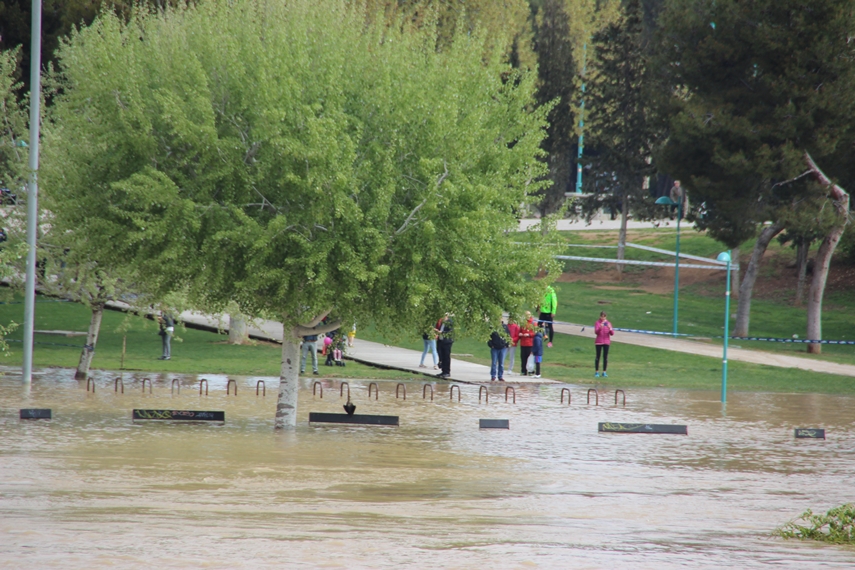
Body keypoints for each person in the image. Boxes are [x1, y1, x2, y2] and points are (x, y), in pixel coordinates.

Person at [594, 311, 614, 378]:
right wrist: (600, 327)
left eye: (604, 316)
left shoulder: (608, 323)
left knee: (605, 357)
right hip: (599, 342)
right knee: (598, 356)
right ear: (600, 316)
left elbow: (612, 333)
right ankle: (596, 372)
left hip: (606, 342)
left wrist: (609, 328)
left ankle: (604, 372)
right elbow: (596, 332)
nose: (603, 318)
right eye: (602, 316)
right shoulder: (597, 323)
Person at [436, 313, 454, 379]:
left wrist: (441, 332)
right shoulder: (442, 322)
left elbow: (449, 332)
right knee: (441, 355)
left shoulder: (449, 322)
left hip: (447, 341)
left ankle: (447, 372)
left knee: (446, 356)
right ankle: (443, 371)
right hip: (441, 340)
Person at [518, 311, 535, 376]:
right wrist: (520, 334)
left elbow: (535, 333)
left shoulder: (533, 323)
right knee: (523, 358)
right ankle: (523, 371)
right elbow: (519, 331)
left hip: (530, 344)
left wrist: (528, 334)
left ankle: (530, 371)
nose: (527, 316)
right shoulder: (522, 323)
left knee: (530, 358)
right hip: (523, 343)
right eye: (526, 315)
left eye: (528, 315)